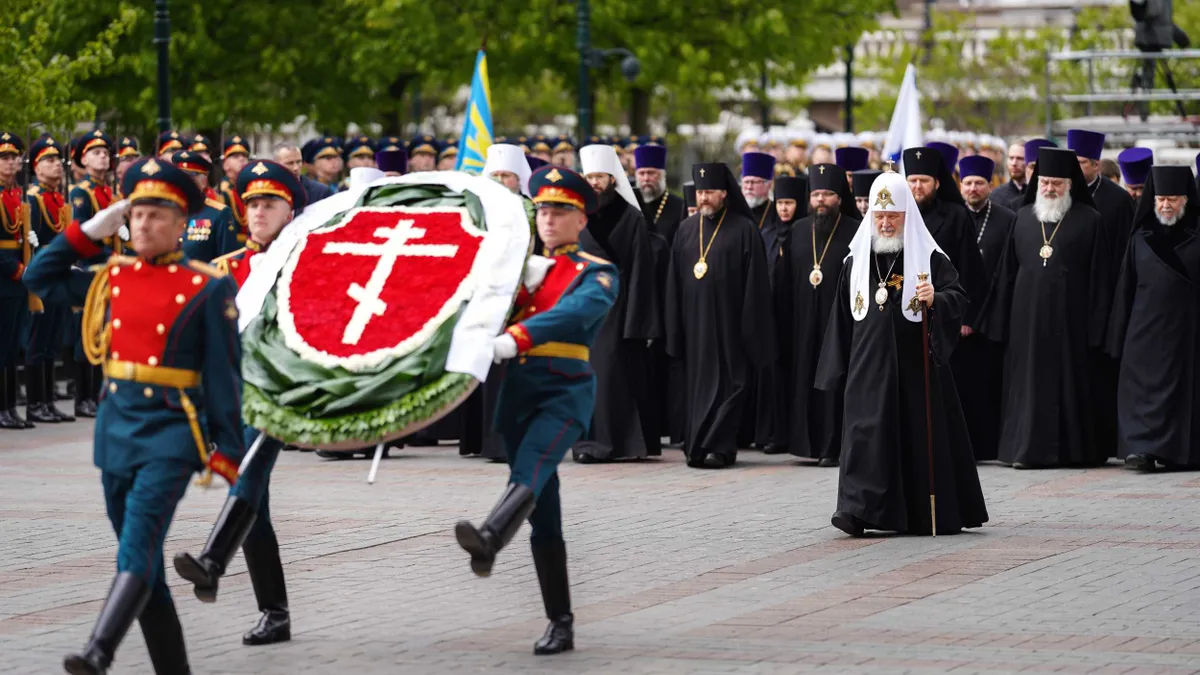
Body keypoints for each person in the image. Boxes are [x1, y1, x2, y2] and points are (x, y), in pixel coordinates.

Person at [23, 156, 244, 675]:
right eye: (136, 214)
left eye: (157, 215)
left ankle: (99, 650)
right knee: (143, 565)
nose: (143, 224)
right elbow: (39, 275)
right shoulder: (112, 278)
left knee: (139, 545)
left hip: (172, 433)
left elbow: (223, 376)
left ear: (181, 223)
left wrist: (229, 451)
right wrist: (85, 234)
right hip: (117, 431)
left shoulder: (207, 286)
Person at [454, 165, 618, 655]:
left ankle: (490, 535)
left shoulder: (596, 271)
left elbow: (574, 315)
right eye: (543, 209)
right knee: (545, 514)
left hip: (564, 393)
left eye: (560, 210)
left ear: (580, 216)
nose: (548, 218)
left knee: (534, 466)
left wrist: (518, 336)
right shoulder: (519, 271)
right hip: (519, 395)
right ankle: (560, 622)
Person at [174, 160, 307, 647]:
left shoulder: (307, 264)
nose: (258, 213)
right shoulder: (228, 267)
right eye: (251, 204)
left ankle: (211, 560)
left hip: (281, 395)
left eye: (269, 203)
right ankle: (276, 613)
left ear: (290, 209)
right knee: (257, 508)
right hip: (233, 398)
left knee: (247, 476)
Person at [816, 170, 988, 536]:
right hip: (867, 367)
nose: (886, 223)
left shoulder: (927, 257)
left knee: (911, 438)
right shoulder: (856, 261)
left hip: (914, 367)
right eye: (879, 217)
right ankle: (856, 510)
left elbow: (957, 295)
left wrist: (936, 300)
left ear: (906, 216)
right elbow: (841, 317)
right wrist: (836, 368)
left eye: (893, 216)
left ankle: (912, 514)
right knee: (865, 435)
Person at [980, 147, 1112, 468]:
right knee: (1027, 388)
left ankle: (1072, 452)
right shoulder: (1024, 218)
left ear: (1070, 184)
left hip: (1072, 323)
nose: (1049, 188)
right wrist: (999, 322)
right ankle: (1024, 451)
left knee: (1069, 386)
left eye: (1056, 183)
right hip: (1026, 323)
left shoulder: (1090, 220)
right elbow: (1006, 273)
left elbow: (1101, 279)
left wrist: (1097, 328)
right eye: (1044, 183)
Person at [665, 162, 776, 468]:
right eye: (700, 192)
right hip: (694, 326)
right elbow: (673, 281)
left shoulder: (743, 229)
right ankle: (697, 446)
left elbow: (755, 284)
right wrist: (673, 326)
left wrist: (750, 329)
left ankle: (721, 448)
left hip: (730, 327)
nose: (703, 198)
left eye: (710, 192)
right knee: (696, 388)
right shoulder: (686, 229)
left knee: (731, 387)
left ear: (724, 194)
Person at [1107, 165, 1200, 471]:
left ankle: (1178, 452)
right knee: (1140, 392)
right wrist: (1116, 337)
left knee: (1184, 394)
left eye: (1172, 199)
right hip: (1143, 333)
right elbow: (1125, 290)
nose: (1165, 205)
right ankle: (1141, 450)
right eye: (1160, 199)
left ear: (1185, 200)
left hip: (1188, 332)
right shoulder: (1141, 238)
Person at [572, 145, 661, 463]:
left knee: (610, 374)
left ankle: (612, 443)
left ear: (612, 178)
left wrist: (640, 319)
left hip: (619, 306)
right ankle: (586, 443)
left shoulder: (631, 216)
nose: (594, 182)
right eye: (590, 176)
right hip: (583, 305)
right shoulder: (576, 213)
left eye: (600, 176)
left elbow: (640, 269)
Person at [774, 166, 859, 465]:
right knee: (804, 380)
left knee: (834, 383)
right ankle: (805, 445)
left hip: (840, 323)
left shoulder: (856, 230)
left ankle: (832, 446)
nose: (821, 200)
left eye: (827, 194)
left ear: (840, 198)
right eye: (816, 194)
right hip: (802, 323)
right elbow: (784, 282)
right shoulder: (798, 230)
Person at [1067, 128, 1135, 460]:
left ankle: (1105, 443)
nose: (1074, 169)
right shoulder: (1064, 196)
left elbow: (1125, 254)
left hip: (1106, 299)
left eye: (1079, 163)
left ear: (1095, 164)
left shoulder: (1118, 200)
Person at [956, 155, 1017, 461]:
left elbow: (1006, 271)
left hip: (993, 315)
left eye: (979, 183)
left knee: (989, 384)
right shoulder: (953, 217)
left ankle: (989, 445)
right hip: (956, 317)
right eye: (968, 183)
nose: (973, 188)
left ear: (990, 185)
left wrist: (982, 315)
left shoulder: (1007, 219)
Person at [24, 135, 75, 424]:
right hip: (42, 277)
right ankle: (34, 403)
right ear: (36, 167)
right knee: (37, 339)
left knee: (51, 341)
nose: (57, 165)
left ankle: (47, 401)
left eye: (58, 160)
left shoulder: (58, 199)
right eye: (49, 160)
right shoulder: (32, 198)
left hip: (59, 277)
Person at [69, 130, 119, 419]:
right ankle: (82, 396)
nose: (103, 156)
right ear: (84, 159)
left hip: (108, 266)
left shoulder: (107, 192)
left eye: (105, 152)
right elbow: (81, 235)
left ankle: (98, 393)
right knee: (87, 331)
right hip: (92, 267)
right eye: (96, 152)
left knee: (104, 331)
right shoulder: (81, 192)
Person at [0, 132, 34, 429]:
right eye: (5, 157)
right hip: (4, 276)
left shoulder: (16, 195)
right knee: (2, 346)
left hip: (18, 277)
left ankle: (10, 406)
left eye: (14, 157)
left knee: (13, 347)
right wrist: (15, 268)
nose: (11, 162)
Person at [174, 151, 239, 262]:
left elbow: (227, 263)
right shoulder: (167, 211)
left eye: (190, 178)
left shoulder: (219, 213)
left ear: (203, 181)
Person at [634, 144, 687, 247]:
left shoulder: (681, 207)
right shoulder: (631, 204)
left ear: (663, 175)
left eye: (651, 173)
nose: (646, 178)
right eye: (641, 173)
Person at [219, 135, 251, 242]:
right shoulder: (221, 192)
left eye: (244, 156)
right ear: (225, 164)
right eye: (235, 156)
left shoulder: (251, 189)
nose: (242, 159)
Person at [990, 141, 1027, 211]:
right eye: (1011, 158)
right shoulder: (996, 196)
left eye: (1020, 158)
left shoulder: (1036, 195)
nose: (1014, 163)